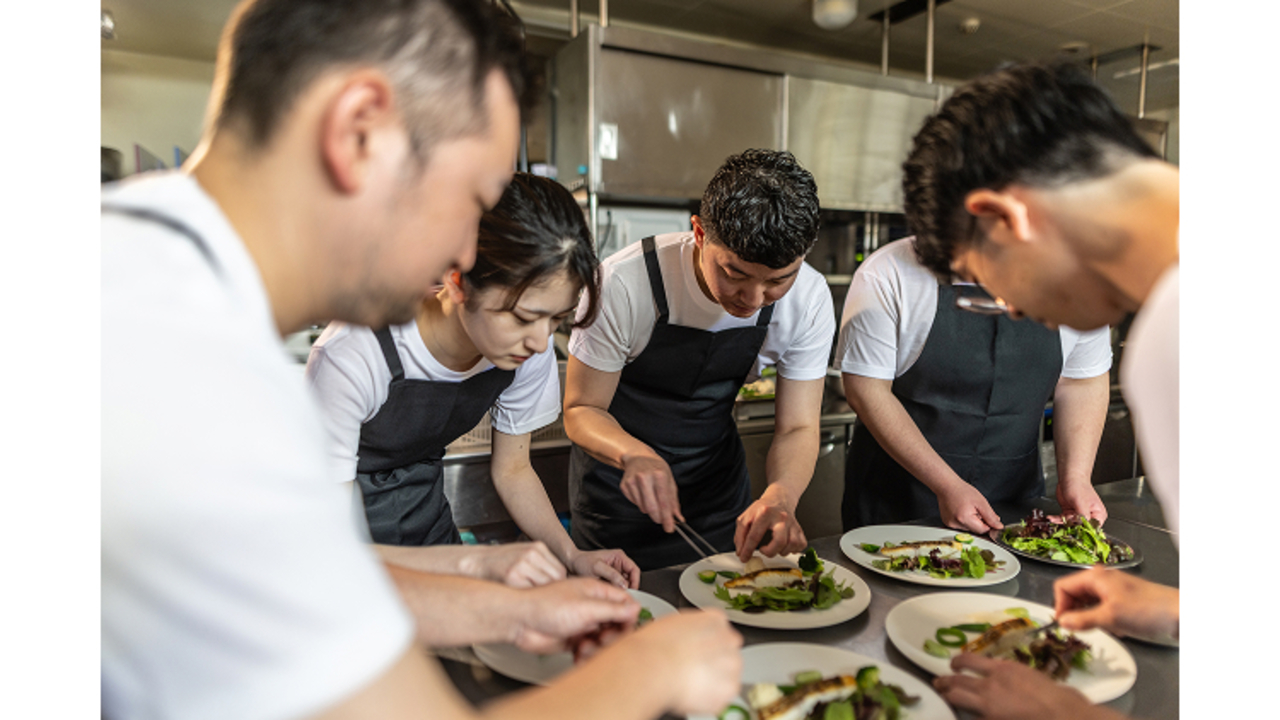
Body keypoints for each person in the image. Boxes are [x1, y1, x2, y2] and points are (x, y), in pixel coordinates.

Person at [102, 2, 742, 720]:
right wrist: (648, 673)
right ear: (360, 131)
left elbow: (313, 581)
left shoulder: (151, 285)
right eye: (472, 198)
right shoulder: (177, 361)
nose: (466, 256)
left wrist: (486, 583)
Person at [891, 60, 1178, 718]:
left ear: (1003, 219)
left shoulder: (1177, 332)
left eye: (986, 278)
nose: (1012, 310)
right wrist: (1177, 612)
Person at [306, 172, 640, 588]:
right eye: (522, 317)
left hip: (430, 532)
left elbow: (513, 470)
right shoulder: (354, 355)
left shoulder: (522, 350)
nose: (540, 341)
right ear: (458, 280)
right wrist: (474, 567)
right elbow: (325, 538)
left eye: (557, 319)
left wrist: (572, 555)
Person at [564, 149, 836, 570]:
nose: (753, 299)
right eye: (735, 274)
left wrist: (781, 493)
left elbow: (799, 425)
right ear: (700, 233)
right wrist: (634, 455)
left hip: (718, 497)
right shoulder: (622, 283)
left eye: (779, 280)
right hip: (617, 496)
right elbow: (582, 409)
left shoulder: (810, 299)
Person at [836, 234, 1111, 534]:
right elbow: (866, 390)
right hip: (898, 507)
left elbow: (1081, 380)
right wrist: (947, 485)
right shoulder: (889, 271)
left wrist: (1076, 478)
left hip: (1015, 508)